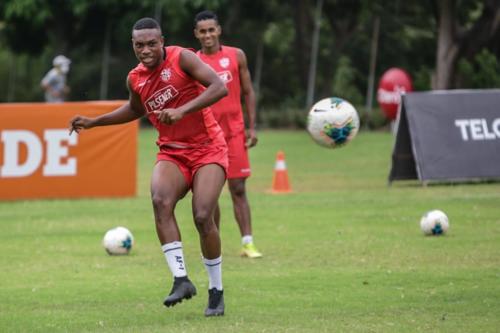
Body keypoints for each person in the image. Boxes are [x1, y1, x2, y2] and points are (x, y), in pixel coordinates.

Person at [69, 17, 228, 317]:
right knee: (160, 200)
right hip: (172, 152)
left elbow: (219, 87)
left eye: (151, 43)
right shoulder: (135, 78)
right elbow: (135, 108)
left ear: (162, 41)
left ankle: (216, 290)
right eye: (139, 45)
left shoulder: (183, 58)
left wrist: (181, 110)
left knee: (203, 215)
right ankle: (181, 279)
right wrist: (95, 122)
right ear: (133, 45)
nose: (146, 50)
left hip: (208, 148)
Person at [194, 10, 263, 259]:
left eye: (211, 29)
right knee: (209, 194)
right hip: (207, 135)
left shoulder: (236, 56)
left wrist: (251, 126)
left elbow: (248, 91)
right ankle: (215, 242)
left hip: (234, 132)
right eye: (203, 31)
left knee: (238, 188)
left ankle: (248, 243)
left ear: (219, 30)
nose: (208, 34)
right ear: (196, 34)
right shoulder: (193, 62)